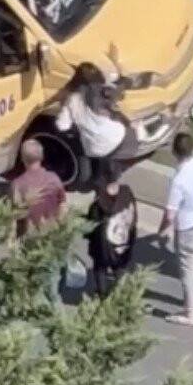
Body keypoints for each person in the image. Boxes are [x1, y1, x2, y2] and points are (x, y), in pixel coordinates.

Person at [157, 132, 193, 326]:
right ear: (192, 148)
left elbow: (170, 214)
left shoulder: (178, 179)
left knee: (187, 270)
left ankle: (190, 314)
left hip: (188, 228)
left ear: (174, 152)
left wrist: (162, 230)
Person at [55, 62, 137, 181]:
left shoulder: (72, 99)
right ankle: (109, 175)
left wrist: (68, 111)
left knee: (76, 142)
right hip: (120, 136)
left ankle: (85, 174)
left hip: (96, 147)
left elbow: (62, 126)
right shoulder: (104, 90)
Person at [86, 170, 137, 299]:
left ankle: (103, 297)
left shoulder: (98, 204)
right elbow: (134, 218)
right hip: (122, 242)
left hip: (102, 247)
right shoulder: (127, 194)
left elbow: (90, 226)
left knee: (100, 268)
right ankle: (120, 297)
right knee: (119, 268)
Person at [11, 138, 67, 236]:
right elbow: (63, 205)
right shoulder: (54, 178)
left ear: (22, 158)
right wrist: (58, 225)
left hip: (29, 237)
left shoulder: (17, 184)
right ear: (42, 157)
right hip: (52, 235)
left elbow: (16, 215)